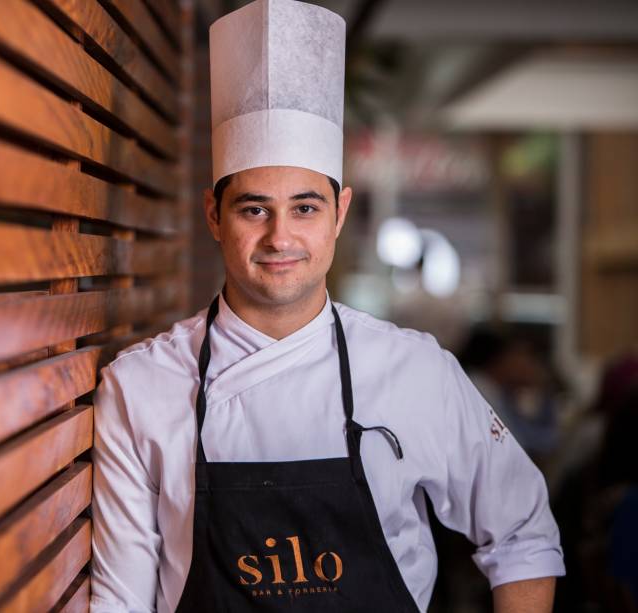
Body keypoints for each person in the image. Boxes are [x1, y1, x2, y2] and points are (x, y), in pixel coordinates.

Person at [90, 1, 564, 611]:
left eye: (305, 208)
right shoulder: (141, 387)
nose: (280, 237)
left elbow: (522, 532)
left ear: (339, 214)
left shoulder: (416, 372)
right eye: (253, 208)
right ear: (213, 213)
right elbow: (120, 602)